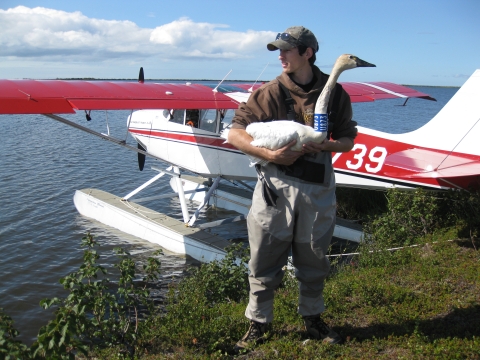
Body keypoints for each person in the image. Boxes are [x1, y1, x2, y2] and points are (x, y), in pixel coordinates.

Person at [227, 26, 357, 350]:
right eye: (278, 50)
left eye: (286, 50)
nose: (281, 56)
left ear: (308, 53)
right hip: (275, 188)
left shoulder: (336, 93)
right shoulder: (269, 93)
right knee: (263, 259)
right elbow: (235, 133)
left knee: (314, 259)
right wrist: (269, 154)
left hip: (317, 190)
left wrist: (324, 146)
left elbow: (348, 140)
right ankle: (258, 323)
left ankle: (312, 319)